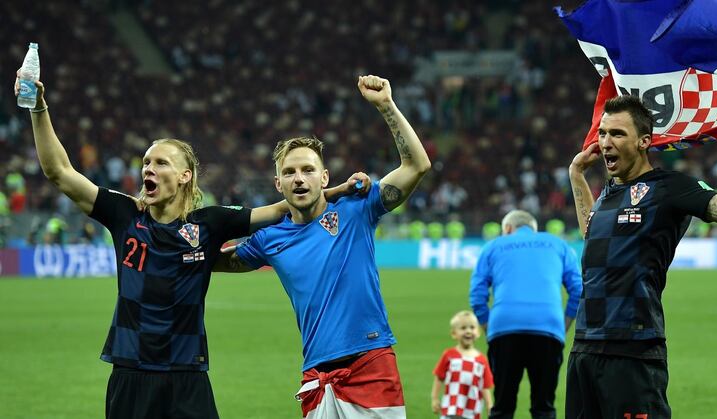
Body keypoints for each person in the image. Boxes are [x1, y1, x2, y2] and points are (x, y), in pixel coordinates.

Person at [15, 72, 370, 419]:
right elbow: (58, 171)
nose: (148, 169)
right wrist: (38, 107)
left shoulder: (209, 223)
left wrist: (338, 190)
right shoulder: (124, 214)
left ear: (185, 176)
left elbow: (282, 208)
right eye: (146, 163)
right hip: (130, 371)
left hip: (187, 375)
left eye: (161, 162)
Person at [216, 75, 431, 418]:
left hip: (371, 364)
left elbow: (417, 166)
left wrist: (386, 106)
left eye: (307, 170)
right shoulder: (268, 239)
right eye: (289, 172)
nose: (298, 178)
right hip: (316, 375)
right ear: (278, 183)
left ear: (324, 177)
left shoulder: (357, 208)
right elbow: (211, 260)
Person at [567, 95, 717, 418]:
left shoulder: (670, 189)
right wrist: (576, 176)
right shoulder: (608, 194)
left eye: (617, 134)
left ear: (644, 142)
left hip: (632, 352)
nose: (605, 142)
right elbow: (592, 235)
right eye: (602, 133)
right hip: (584, 349)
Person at [470, 210, 582, 419]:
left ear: (508, 229)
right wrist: (563, 324)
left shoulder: (493, 246)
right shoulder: (558, 245)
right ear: (534, 229)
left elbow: (477, 294)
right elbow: (578, 289)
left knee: (502, 406)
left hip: (504, 327)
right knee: (544, 407)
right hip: (548, 328)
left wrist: (488, 325)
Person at [431, 310, 495, 419]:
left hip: (471, 409)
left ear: (478, 332)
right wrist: (435, 398)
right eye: (463, 328)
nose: (468, 331)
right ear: (454, 334)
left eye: (472, 327)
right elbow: (439, 378)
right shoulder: (449, 355)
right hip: (451, 408)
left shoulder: (481, 360)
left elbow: (484, 386)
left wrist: (490, 405)